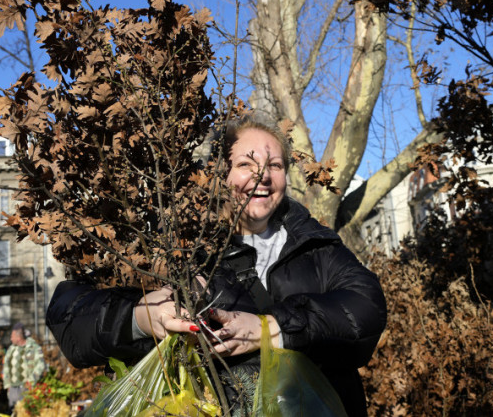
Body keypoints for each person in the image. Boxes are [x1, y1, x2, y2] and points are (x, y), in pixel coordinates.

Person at [46, 116, 388, 417]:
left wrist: (270, 328)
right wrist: (140, 317)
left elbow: (366, 307)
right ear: (219, 174)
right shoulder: (180, 248)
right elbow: (68, 317)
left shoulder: (315, 243)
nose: (262, 176)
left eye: (275, 165)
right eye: (246, 164)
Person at [2, 322, 45, 414]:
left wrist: (31, 381)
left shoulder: (33, 348)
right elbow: (5, 366)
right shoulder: (11, 349)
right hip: (13, 389)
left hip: (27, 388)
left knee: (26, 413)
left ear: (18, 337)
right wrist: (7, 384)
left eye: (12, 336)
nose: (10, 338)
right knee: (13, 412)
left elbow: (41, 366)